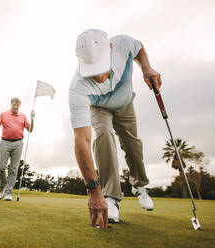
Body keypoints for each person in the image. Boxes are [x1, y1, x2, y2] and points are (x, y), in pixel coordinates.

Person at [69, 29, 162, 228]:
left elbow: (139, 48)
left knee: (133, 145)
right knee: (103, 134)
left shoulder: (123, 43)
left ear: (110, 48)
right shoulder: (78, 88)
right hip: (100, 108)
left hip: (125, 103)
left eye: (101, 67)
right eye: (91, 70)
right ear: (78, 57)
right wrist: (93, 190)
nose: (99, 77)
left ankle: (140, 186)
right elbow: (81, 140)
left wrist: (146, 68)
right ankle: (111, 197)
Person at [0, 97, 34, 201]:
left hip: (18, 143)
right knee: (1, 167)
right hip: (5, 142)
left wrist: (32, 119)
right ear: (11, 104)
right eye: (14, 103)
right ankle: (3, 186)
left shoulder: (23, 116)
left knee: (13, 169)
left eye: (18, 104)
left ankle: (8, 192)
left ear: (20, 105)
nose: (16, 105)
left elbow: (30, 129)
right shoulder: (3, 114)